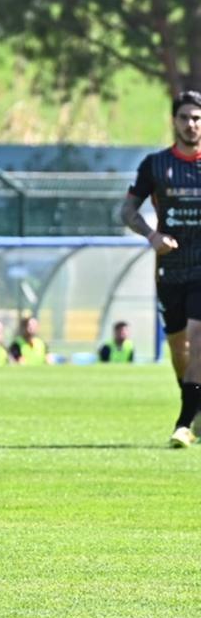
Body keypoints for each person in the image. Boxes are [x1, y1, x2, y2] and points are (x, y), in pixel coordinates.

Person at [122, 91, 201, 446]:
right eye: (185, 117)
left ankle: (183, 423)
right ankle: (196, 410)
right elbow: (127, 212)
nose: (191, 124)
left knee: (198, 341)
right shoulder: (154, 165)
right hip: (169, 271)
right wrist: (152, 236)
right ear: (174, 121)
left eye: (197, 118)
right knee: (178, 347)